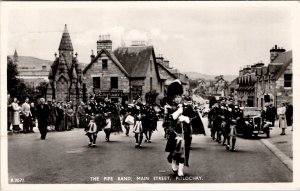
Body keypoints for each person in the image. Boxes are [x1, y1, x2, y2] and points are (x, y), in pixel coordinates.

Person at [164, 79, 192, 177]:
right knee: (174, 151)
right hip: (174, 132)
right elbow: (167, 120)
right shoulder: (168, 107)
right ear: (173, 97)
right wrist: (177, 113)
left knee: (182, 152)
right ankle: (173, 160)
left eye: (179, 96)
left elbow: (191, 117)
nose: (177, 99)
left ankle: (181, 170)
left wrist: (186, 118)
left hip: (184, 132)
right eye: (175, 97)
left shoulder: (186, 106)